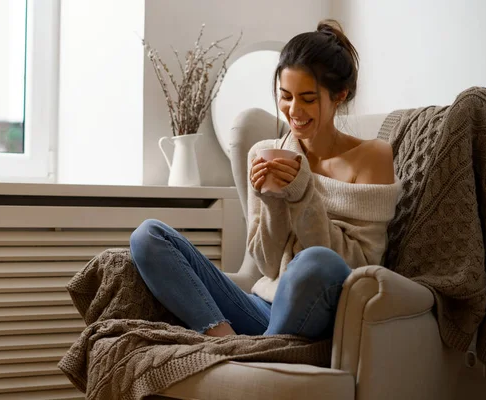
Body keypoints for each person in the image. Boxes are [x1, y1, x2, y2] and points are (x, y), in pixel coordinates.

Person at [130, 20, 401, 339]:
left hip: (322, 310)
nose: (294, 110)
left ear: (339, 95)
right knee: (148, 236)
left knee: (315, 262)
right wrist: (272, 201)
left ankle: (257, 350)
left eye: (308, 98)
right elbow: (269, 267)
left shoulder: (373, 156)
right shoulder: (267, 153)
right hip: (260, 308)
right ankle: (225, 341)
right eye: (285, 96)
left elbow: (360, 267)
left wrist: (302, 195)